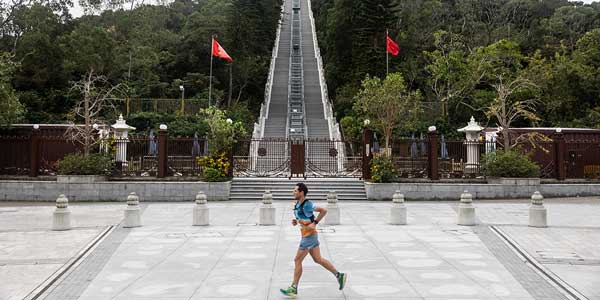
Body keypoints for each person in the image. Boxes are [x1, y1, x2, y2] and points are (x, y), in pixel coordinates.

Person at [280, 183, 347, 297]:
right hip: (307, 235)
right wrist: (296, 221)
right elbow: (303, 218)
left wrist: (315, 223)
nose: (293, 192)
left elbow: (323, 210)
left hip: (309, 236)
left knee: (297, 260)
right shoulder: (297, 204)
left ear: (301, 192)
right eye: (294, 190)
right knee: (318, 259)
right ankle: (339, 275)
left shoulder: (307, 204)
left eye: (296, 190)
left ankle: (293, 288)